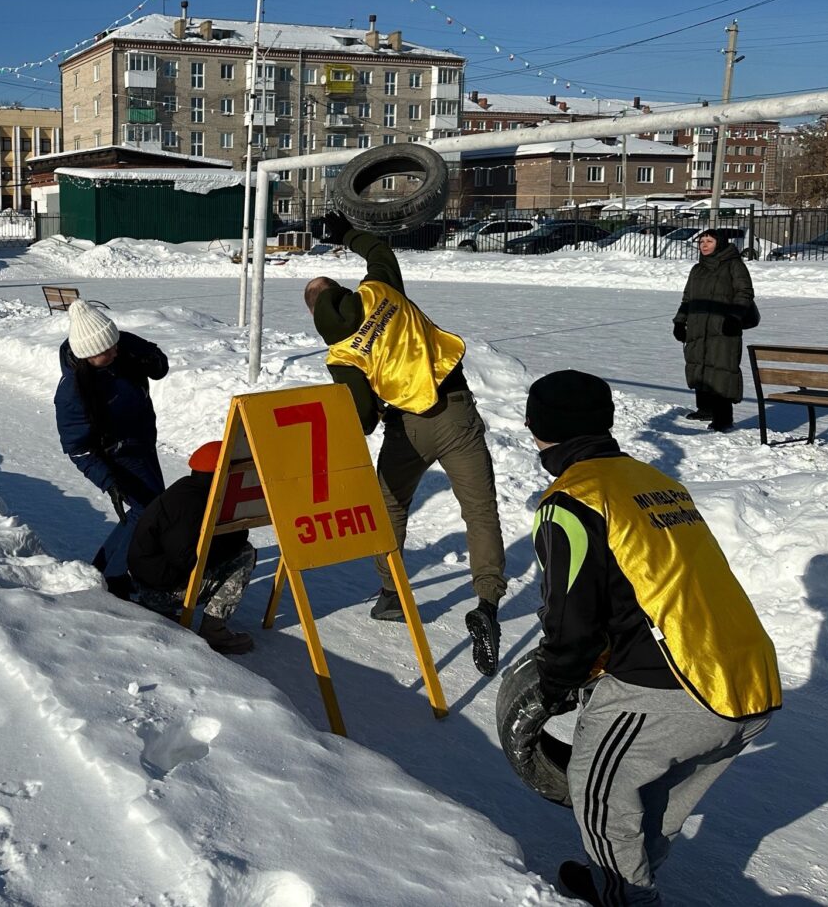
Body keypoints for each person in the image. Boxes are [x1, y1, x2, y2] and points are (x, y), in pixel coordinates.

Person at [523, 370, 780, 906]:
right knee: (652, 804)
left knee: (597, 793)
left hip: (676, 684)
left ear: (539, 429)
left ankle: (624, 898)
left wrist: (551, 689)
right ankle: (623, 882)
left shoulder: (572, 500)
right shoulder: (652, 480)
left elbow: (571, 622)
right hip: (748, 674)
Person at [304, 211, 506, 676]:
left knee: (390, 507)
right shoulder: (380, 290)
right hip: (456, 411)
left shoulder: (342, 354)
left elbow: (362, 419)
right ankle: (488, 601)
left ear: (315, 315)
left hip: (406, 429)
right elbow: (379, 251)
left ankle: (393, 595)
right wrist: (344, 232)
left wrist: (372, 409)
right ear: (343, 292)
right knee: (480, 510)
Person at [54, 299, 169, 597]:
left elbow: (159, 365)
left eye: (115, 344)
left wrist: (152, 359)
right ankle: (115, 579)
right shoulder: (72, 393)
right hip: (114, 455)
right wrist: (110, 482)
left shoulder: (119, 344)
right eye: (107, 351)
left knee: (147, 509)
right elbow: (77, 448)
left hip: (142, 441)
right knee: (149, 510)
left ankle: (102, 570)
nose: (115, 352)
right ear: (88, 356)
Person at [128, 441, 257, 654]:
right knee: (244, 554)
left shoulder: (188, 488)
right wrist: (235, 538)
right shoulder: (192, 504)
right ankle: (214, 631)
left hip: (149, 583)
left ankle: (162, 610)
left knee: (235, 548)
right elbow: (187, 559)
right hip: (159, 592)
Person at [672, 229, 756, 432]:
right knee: (699, 365)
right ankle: (705, 409)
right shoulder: (697, 269)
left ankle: (723, 417)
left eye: (709, 241)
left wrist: (734, 317)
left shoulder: (734, 265)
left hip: (723, 327)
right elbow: (688, 298)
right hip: (698, 326)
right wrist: (679, 322)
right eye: (701, 241)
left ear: (720, 243)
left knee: (721, 369)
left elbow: (745, 293)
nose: (704, 245)